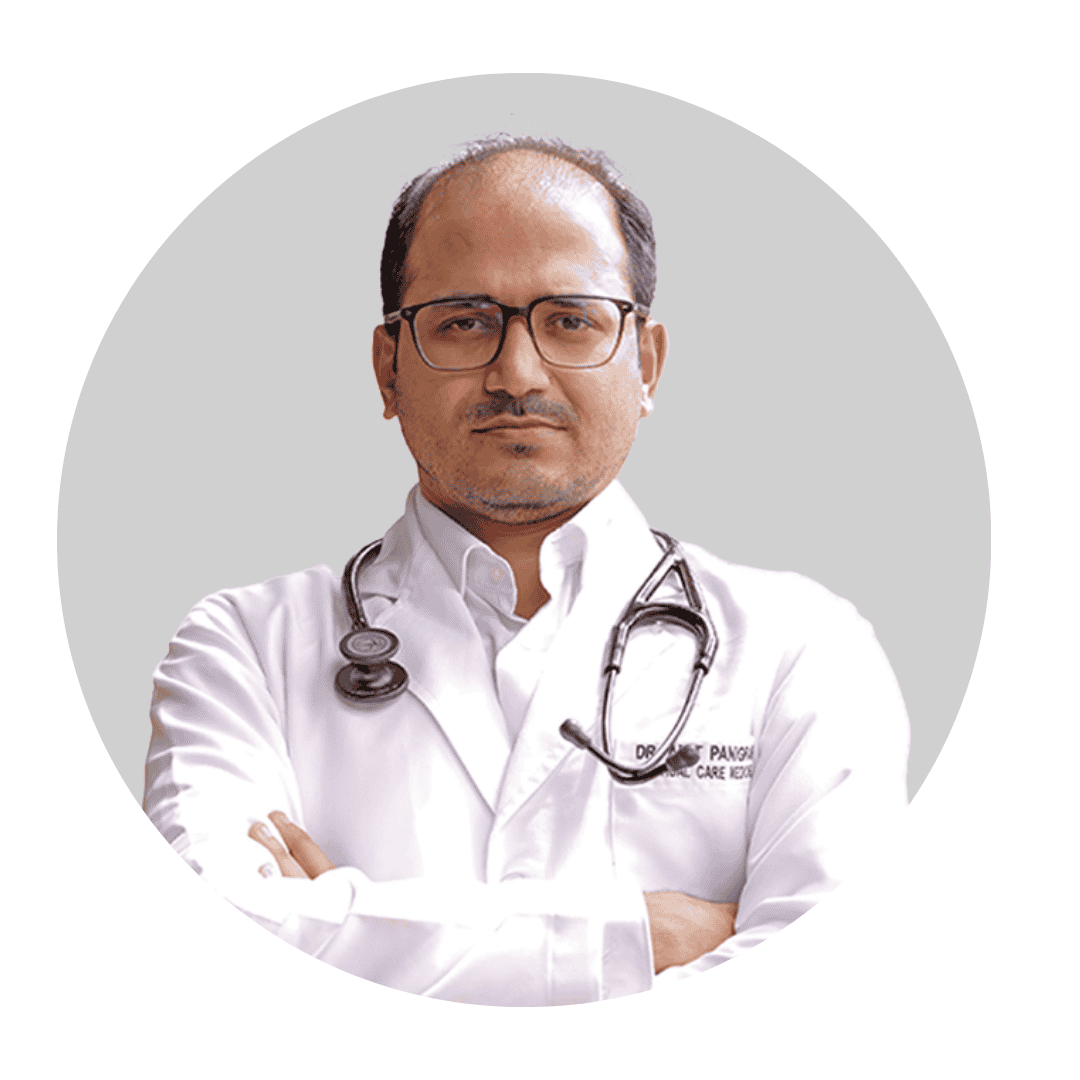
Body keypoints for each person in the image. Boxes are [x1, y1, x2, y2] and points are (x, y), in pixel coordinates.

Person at [144, 135, 910, 1007]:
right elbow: (211, 951)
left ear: (646, 364)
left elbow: (819, 989)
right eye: (464, 321)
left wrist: (341, 932)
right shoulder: (243, 647)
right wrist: (643, 938)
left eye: (571, 320)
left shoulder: (802, 647)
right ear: (388, 368)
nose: (517, 372)